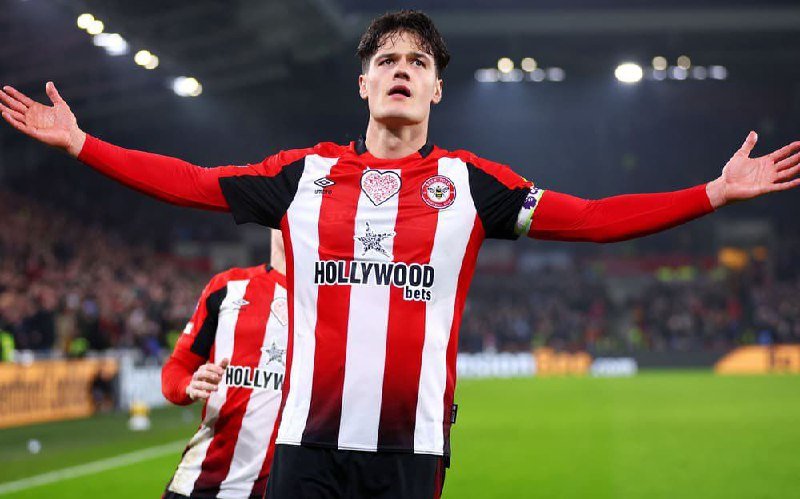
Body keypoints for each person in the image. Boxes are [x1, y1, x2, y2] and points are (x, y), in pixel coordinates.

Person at [2, 9, 799, 499]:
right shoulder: (303, 175)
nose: (402, 71)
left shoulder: (472, 184)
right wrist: (83, 143)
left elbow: (590, 219)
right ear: (363, 84)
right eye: (386, 60)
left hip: (410, 450)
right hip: (306, 447)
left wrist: (711, 193)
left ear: (437, 90)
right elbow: (190, 182)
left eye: (419, 62)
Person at [160, 231, 288, 499]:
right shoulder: (228, 287)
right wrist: (188, 385)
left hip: (280, 487)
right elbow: (176, 369)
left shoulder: (331, 301)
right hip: (203, 484)